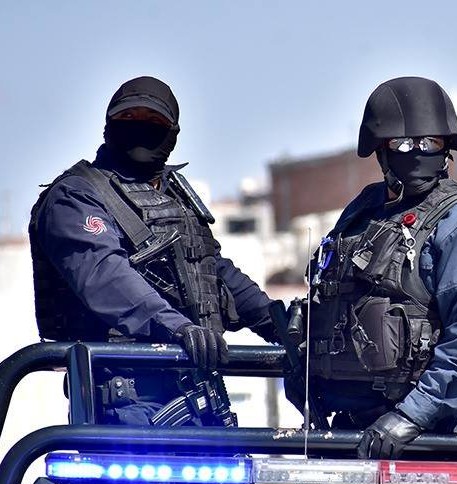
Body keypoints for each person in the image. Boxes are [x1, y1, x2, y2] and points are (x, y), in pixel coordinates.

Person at [29, 76, 277, 426]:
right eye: (128, 120)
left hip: (200, 396)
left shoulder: (173, 198)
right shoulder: (75, 197)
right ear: (108, 126)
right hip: (125, 402)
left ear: (172, 134)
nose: (140, 129)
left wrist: (283, 325)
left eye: (153, 122)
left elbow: (213, 271)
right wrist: (177, 328)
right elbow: (104, 275)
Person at [301, 76, 457, 458]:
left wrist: (410, 418)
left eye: (429, 142)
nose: (416, 151)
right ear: (381, 150)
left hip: (430, 442)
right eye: (402, 143)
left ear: (446, 147)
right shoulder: (362, 213)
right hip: (346, 431)